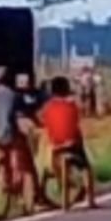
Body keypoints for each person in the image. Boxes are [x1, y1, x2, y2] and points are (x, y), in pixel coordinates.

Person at [0, 66, 52, 208]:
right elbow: (21, 114)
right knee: (25, 163)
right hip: (11, 135)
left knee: (2, 158)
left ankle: (5, 184)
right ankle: (33, 196)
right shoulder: (14, 96)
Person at [39, 75, 97, 208]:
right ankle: (91, 200)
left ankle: (41, 196)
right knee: (86, 168)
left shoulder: (47, 107)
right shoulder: (72, 106)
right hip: (72, 145)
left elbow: (43, 121)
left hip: (56, 146)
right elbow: (76, 121)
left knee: (45, 167)